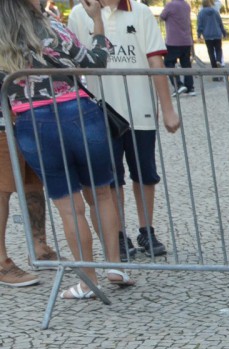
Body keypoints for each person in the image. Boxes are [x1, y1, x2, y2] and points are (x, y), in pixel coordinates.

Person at [2, 0, 127, 299]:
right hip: (79, 112)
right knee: (102, 194)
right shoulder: (53, 28)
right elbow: (96, 61)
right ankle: (116, 266)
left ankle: (88, 281)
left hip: (35, 122)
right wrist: (97, 24)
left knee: (71, 210)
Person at [68, 0, 181, 259]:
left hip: (139, 110)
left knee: (145, 174)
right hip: (101, 111)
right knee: (111, 178)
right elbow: (73, 63)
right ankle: (118, 234)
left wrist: (167, 108)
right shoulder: (78, 13)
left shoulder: (139, 11)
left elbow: (155, 61)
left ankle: (146, 229)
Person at [0, 123, 56, 287]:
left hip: (22, 118)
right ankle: (2, 263)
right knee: (1, 190)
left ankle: (39, 249)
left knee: (32, 182)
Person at [158, 0, 194, 95]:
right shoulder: (186, 5)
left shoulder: (170, 5)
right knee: (186, 64)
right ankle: (190, 87)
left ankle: (178, 85)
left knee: (169, 62)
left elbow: (161, 17)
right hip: (186, 40)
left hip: (173, 40)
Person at [195, 0, 227, 70]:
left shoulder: (201, 13)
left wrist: (199, 34)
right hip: (217, 34)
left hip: (208, 35)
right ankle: (218, 60)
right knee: (218, 49)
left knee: (211, 51)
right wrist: (224, 32)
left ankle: (214, 66)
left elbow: (200, 25)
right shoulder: (215, 12)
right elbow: (220, 23)